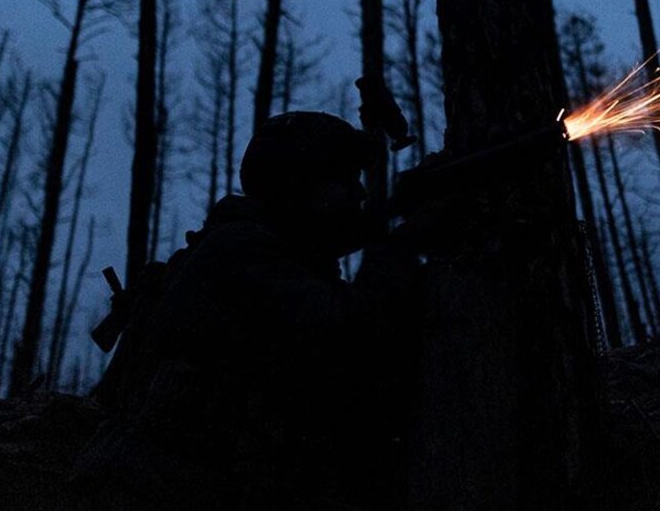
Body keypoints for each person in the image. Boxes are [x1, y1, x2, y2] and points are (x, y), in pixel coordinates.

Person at [73, 111, 419, 510]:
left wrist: (394, 218)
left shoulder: (255, 246)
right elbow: (350, 330)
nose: (358, 193)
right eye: (343, 179)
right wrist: (401, 246)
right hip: (154, 491)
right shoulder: (241, 250)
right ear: (301, 185)